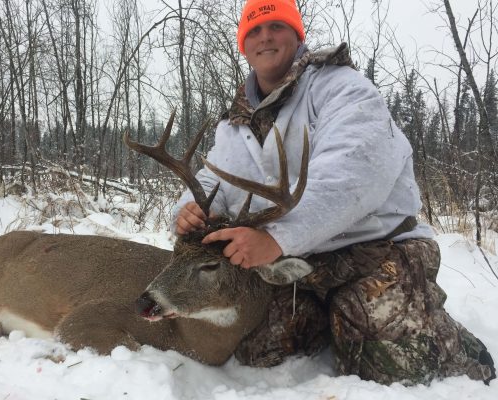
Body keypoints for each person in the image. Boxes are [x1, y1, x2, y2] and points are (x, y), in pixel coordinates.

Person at [172, 0, 495, 386]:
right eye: (253, 31)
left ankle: (454, 350)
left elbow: (353, 173)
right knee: (257, 351)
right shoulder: (235, 124)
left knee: (393, 365)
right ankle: (332, 320)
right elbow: (214, 180)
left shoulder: (341, 88)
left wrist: (275, 237)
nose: (265, 37)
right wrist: (191, 208)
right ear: (244, 46)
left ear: (296, 33)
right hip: (300, 264)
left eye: (275, 25)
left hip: (375, 250)